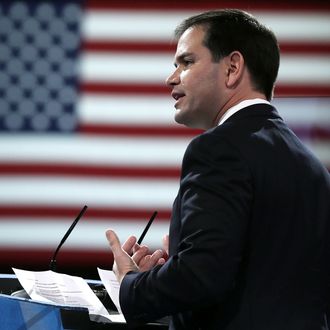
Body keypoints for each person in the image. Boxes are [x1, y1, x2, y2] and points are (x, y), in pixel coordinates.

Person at [106, 9, 330, 329]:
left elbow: (201, 277)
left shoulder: (219, 149)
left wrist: (130, 283)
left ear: (232, 68)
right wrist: (174, 268)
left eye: (186, 62)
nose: (171, 77)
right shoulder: (311, 166)